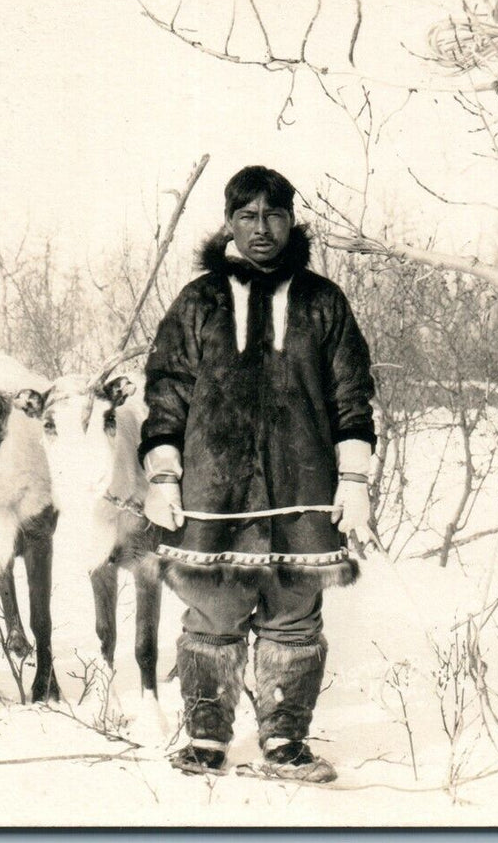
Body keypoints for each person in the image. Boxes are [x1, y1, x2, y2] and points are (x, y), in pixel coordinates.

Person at [139, 165, 377, 781]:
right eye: (247, 216)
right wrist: (163, 473)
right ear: (229, 223)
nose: (261, 228)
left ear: (292, 220)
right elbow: (167, 389)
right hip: (213, 493)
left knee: (293, 620)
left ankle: (285, 743)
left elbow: (351, 393)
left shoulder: (323, 301)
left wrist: (354, 477)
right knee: (212, 616)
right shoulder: (199, 301)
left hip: (303, 490)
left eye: (274, 215)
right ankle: (205, 739)